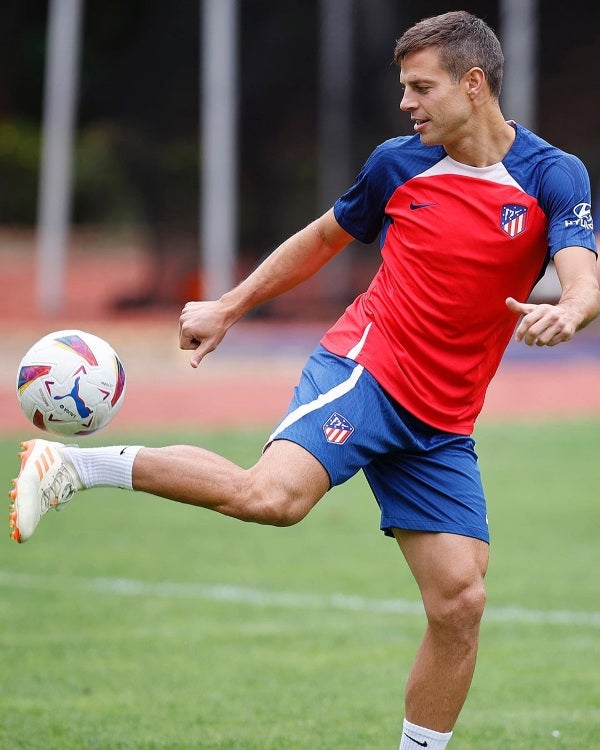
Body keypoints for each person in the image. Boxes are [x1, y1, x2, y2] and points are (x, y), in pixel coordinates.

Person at [9, 11, 599, 749]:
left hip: (442, 419)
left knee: (460, 600)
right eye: (403, 88)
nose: (406, 104)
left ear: (473, 85)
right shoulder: (398, 163)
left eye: (421, 87)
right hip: (368, 369)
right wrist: (229, 306)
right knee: (274, 498)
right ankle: (72, 464)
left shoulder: (550, 174)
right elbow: (323, 238)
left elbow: (583, 273)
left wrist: (571, 309)